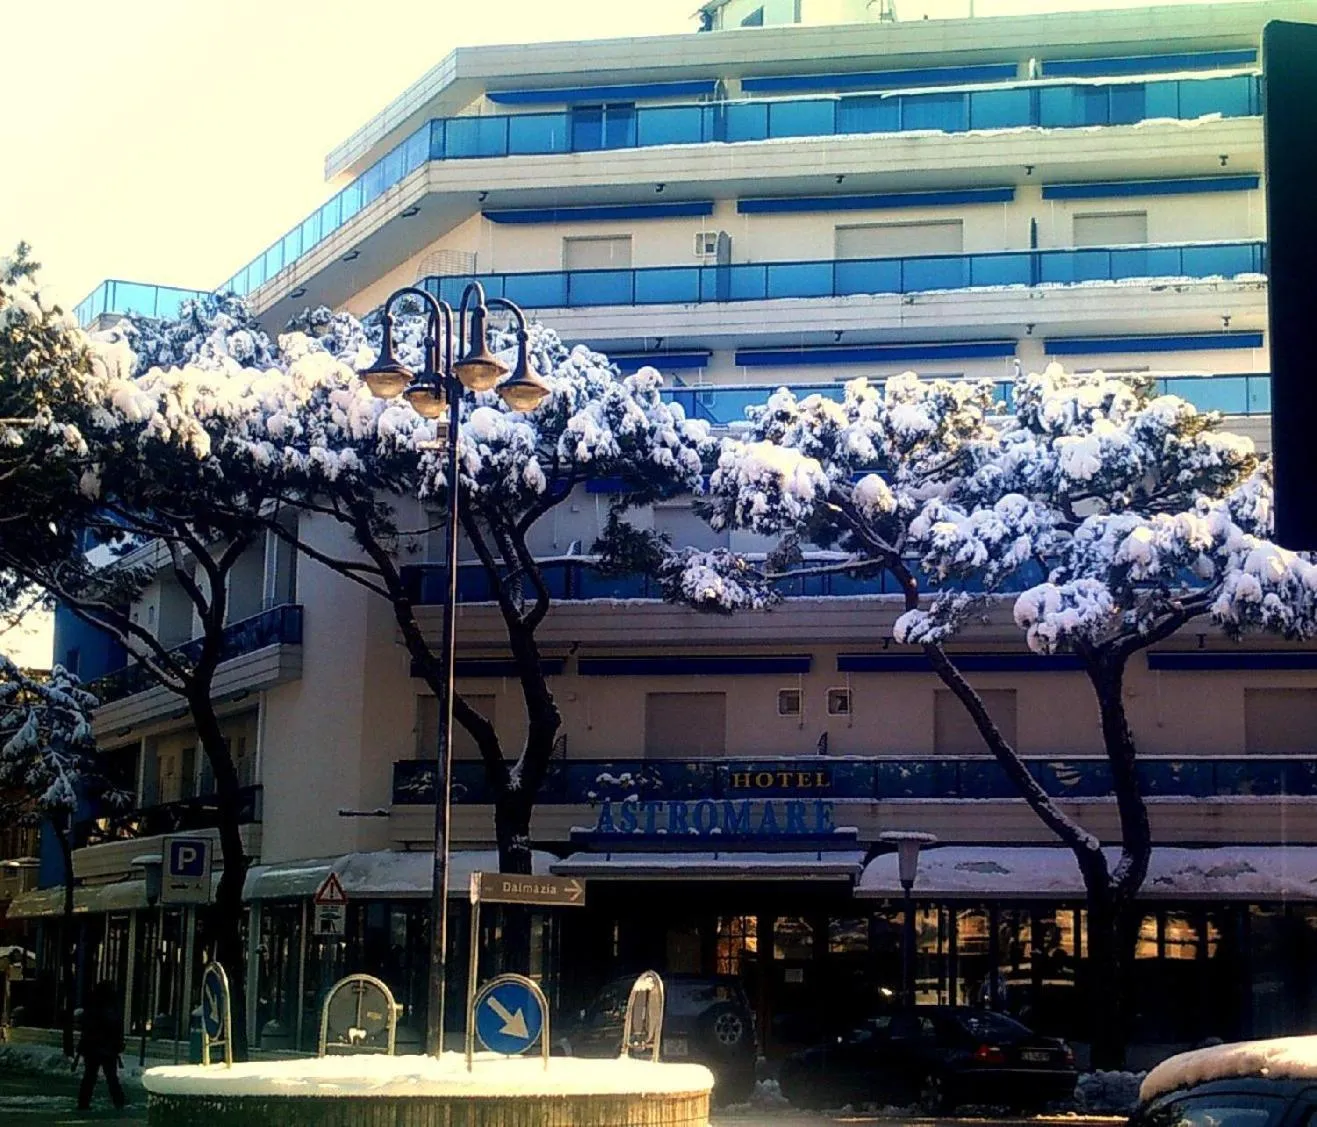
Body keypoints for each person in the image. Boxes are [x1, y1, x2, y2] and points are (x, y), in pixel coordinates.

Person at [76, 981, 126, 1111]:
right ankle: (119, 1101)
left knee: (90, 1077)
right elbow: (116, 1028)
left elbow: (86, 1029)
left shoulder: (92, 1006)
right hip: (107, 1048)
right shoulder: (112, 1008)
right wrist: (118, 1045)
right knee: (111, 1077)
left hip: (93, 1048)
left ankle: (83, 1102)